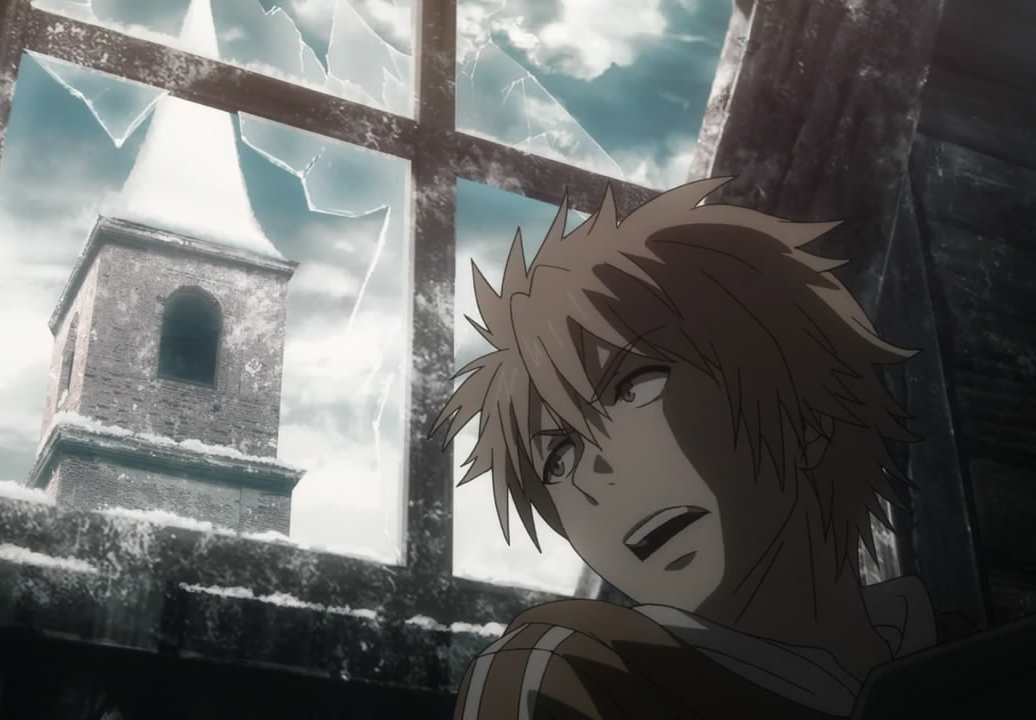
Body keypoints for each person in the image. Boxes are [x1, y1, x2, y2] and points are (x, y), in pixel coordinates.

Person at [430, 178, 1028, 719]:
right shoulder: (576, 680)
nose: (595, 473)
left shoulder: (974, 667)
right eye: (557, 458)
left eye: (636, 387)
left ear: (806, 407)